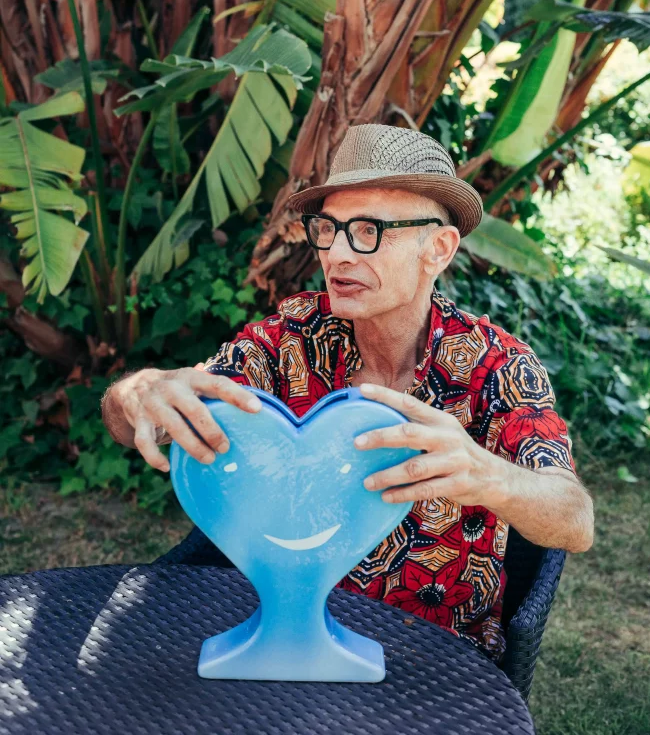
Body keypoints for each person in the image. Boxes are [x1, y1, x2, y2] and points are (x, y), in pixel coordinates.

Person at [102, 124, 593, 661]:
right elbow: (145, 420)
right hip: (284, 641)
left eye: (367, 230)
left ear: (438, 248)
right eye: (328, 229)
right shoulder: (292, 339)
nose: (336, 253)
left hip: (432, 661)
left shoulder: (496, 367)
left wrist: (488, 474)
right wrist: (138, 394)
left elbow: (575, 521)